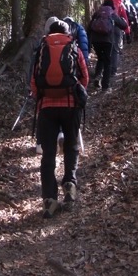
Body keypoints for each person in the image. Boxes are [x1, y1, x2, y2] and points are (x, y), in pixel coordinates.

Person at [31, 17, 89, 218]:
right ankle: (70, 186)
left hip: (47, 108)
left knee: (48, 154)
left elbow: (34, 80)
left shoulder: (42, 48)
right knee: (71, 146)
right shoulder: (73, 47)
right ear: (66, 32)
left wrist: (43, 96)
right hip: (70, 105)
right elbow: (85, 76)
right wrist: (75, 91)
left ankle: (49, 200)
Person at [87, 3, 127, 92]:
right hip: (108, 41)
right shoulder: (112, 14)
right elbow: (124, 25)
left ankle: (97, 76)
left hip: (96, 41)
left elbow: (89, 27)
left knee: (100, 58)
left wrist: (89, 43)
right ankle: (105, 86)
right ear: (112, 7)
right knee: (107, 62)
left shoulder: (97, 14)